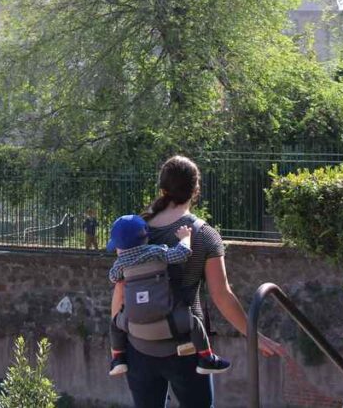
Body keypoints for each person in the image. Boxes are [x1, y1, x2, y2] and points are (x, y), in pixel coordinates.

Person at [112, 156, 285, 408]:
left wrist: (117, 344)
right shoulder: (203, 235)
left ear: (162, 189)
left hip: (139, 344)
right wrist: (254, 336)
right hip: (187, 346)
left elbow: (120, 288)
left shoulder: (137, 230)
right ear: (196, 190)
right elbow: (221, 294)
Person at [107, 215, 230, 376]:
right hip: (170, 321)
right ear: (146, 238)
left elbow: (113, 278)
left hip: (133, 324)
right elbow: (182, 253)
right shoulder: (157, 251)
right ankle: (206, 359)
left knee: (115, 324)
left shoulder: (120, 264)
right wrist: (185, 237)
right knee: (194, 323)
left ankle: (118, 359)